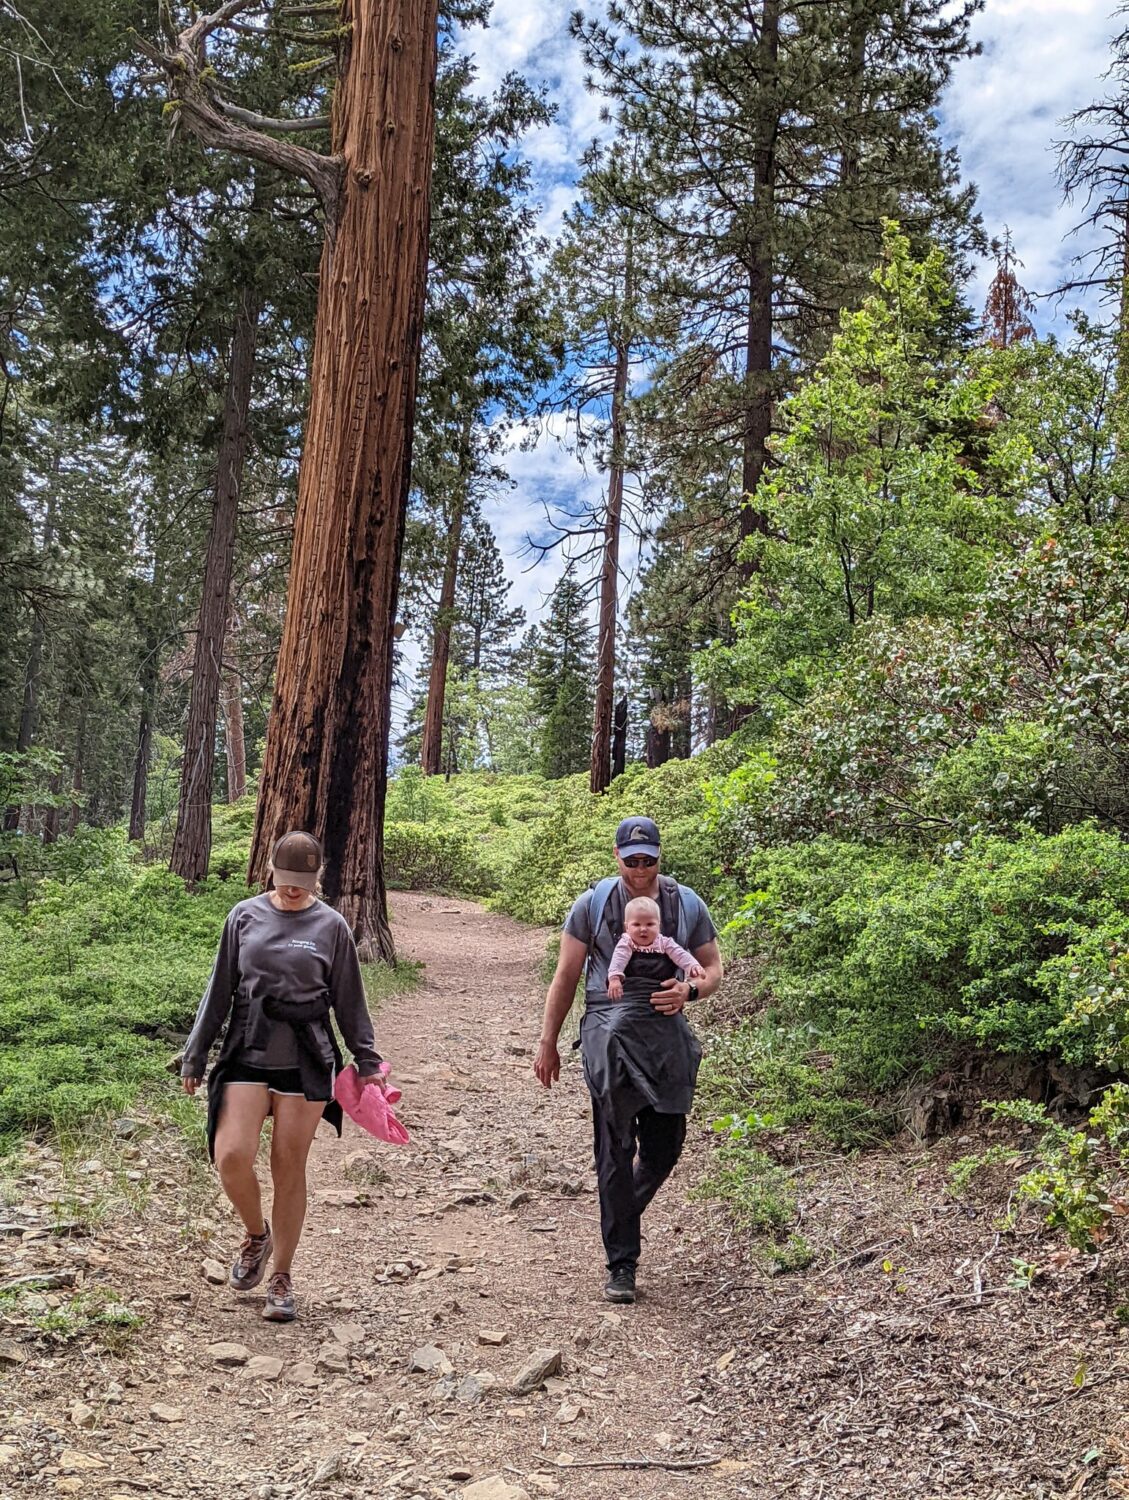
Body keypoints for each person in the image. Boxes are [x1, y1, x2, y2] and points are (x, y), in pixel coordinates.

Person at [180, 830, 386, 1323]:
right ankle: (257, 1235)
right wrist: (195, 1054)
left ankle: (282, 1275)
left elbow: (349, 1001)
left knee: (288, 1166)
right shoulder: (243, 917)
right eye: (286, 880)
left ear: (317, 877)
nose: (294, 890)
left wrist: (369, 1061)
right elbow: (220, 989)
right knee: (230, 1155)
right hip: (247, 1048)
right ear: (270, 870)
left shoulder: (332, 926)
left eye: (304, 882)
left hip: (306, 1059)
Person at [533, 816, 723, 1305]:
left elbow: (714, 966)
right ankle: (622, 1262)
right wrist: (547, 1041)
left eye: (649, 859)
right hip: (607, 1029)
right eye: (632, 859)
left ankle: (621, 1214)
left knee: (666, 1144)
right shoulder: (592, 906)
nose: (640, 868)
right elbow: (566, 975)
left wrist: (690, 990)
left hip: (664, 1030)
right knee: (615, 1145)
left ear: (660, 857)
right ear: (616, 857)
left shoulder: (685, 905)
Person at [606, 896, 706, 1001]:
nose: (643, 929)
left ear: (659, 926)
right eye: (636, 924)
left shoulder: (664, 942)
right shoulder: (627, 942)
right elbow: (619, 959)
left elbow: (680, 954)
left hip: (660, 991)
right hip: (632, 995)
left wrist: (692, 966)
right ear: (626, 927)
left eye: (650, 924)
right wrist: (614, 978)